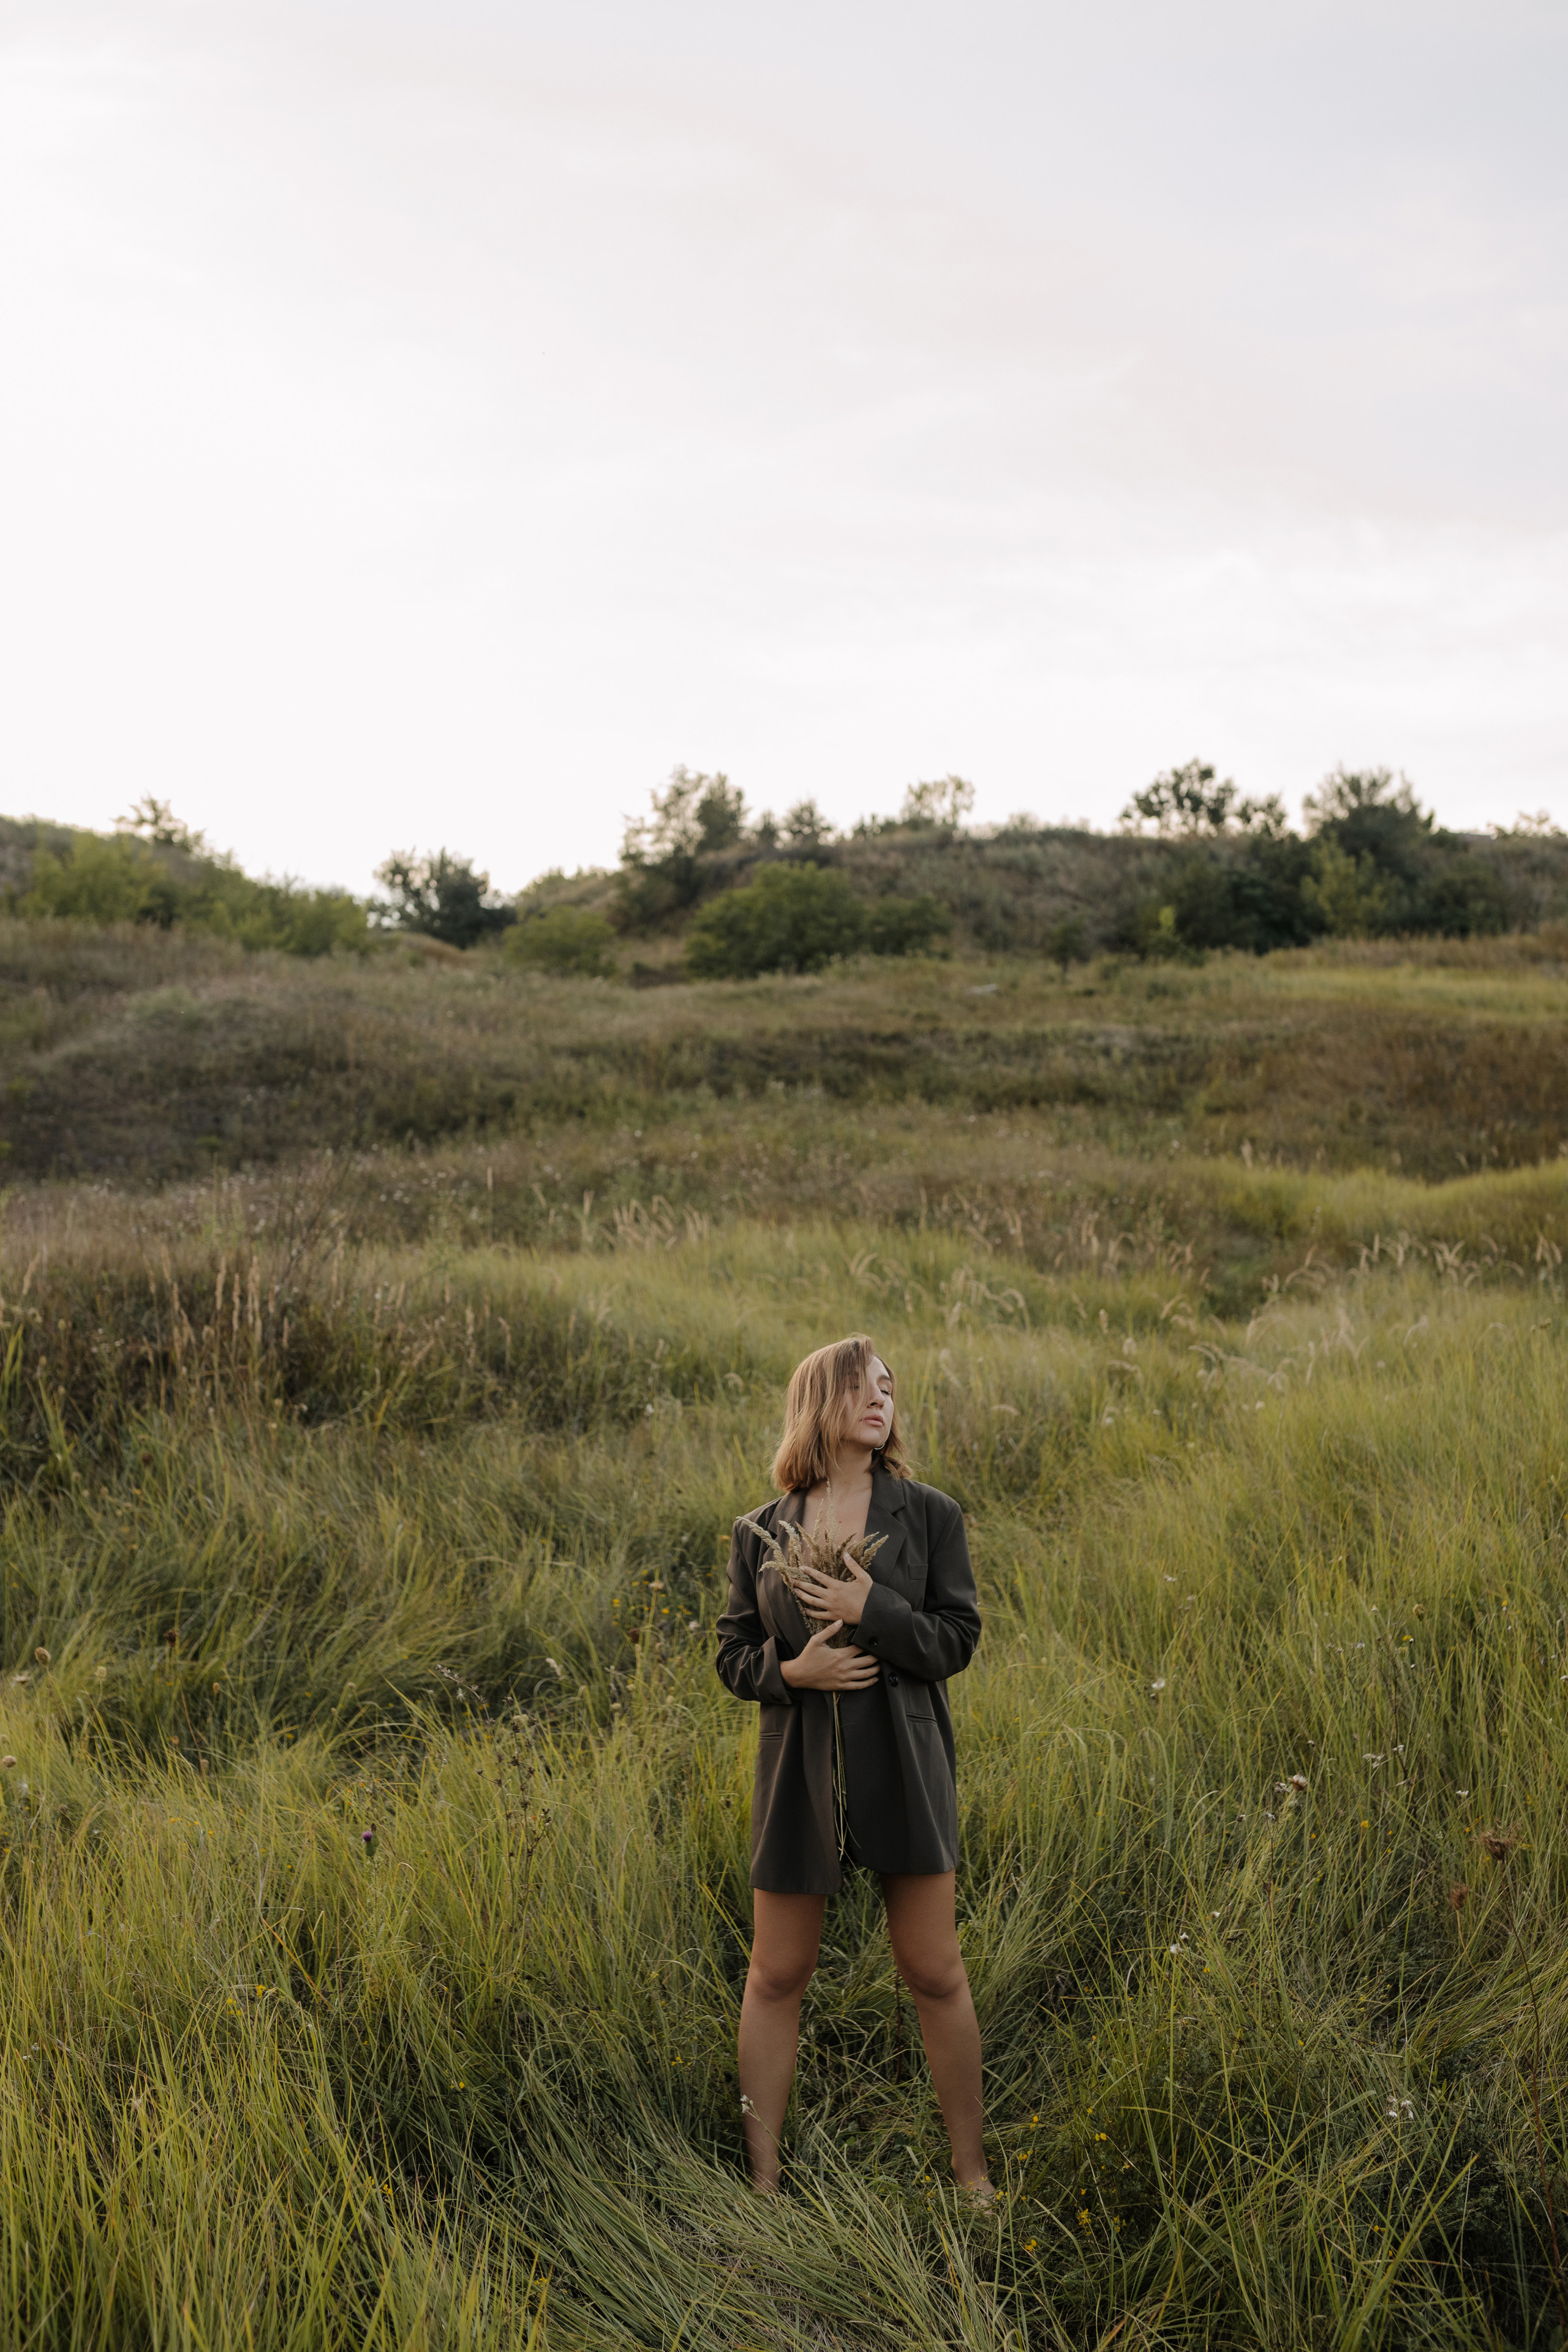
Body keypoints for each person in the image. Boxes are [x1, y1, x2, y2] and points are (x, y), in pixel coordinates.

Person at [715, 1334, 990, 2196]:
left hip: (905, 1765)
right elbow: (731, 1653)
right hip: (798, 1772)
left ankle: (971, 2175)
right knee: (777, 1973)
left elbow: (958, 1640)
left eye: (890, 1388)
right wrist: (793, 1673)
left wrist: (876, 1609)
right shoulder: (760, 1530)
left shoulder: (930, 1514)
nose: (883, 1400)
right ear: (818, 1401)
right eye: (863, 1386)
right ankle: (762, 2181)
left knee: (934, 1971)